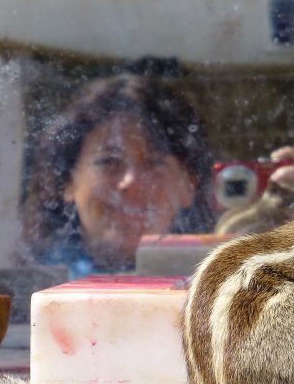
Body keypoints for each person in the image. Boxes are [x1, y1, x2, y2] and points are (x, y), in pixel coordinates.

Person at [22, 74, 217, 277]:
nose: (130, 181)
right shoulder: (34, 290)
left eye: (154, 163)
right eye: (108, 161)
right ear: (68, 181)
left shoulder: (215, 292)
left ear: (188, 185)